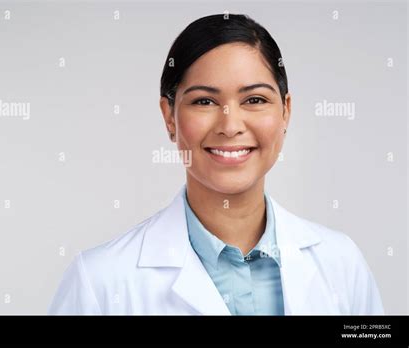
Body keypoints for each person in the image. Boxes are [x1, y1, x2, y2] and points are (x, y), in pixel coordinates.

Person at [48, 13, 384, 315]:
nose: (230, 125)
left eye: (254, 100)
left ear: (286, 111)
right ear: (169, 117)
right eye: (204, 101)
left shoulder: (342, 264)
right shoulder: (100, 283)